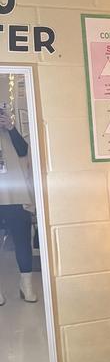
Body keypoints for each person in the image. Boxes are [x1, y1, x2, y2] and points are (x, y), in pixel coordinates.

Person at [0, 103, 37, 306]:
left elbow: (24, 151)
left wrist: (11, 128)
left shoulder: (10, 132)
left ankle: (26, 285)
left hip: (16, 196)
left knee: (23, 240)